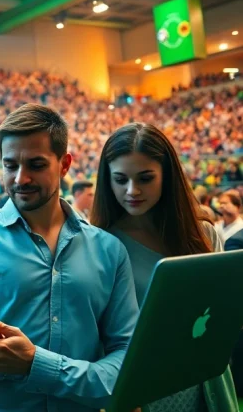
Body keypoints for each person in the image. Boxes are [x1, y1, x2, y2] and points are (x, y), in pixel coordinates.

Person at [0, 104, 139, 411]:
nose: (21, 179)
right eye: (10, 166)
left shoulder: (109, 250)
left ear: (64, 164)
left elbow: (126, 352)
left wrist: (36, 365)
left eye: (36, 165)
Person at [91, 123, 236, 411]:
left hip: (208, 381)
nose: (132, 191)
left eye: (145, 178)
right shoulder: (100, 245)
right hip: (143, 390)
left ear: (167, 176)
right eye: (120, 179)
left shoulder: (203, 234)